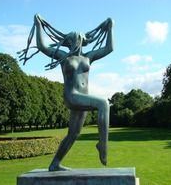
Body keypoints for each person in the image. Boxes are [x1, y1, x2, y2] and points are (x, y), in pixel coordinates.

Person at [19, 14, 114, 171]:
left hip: (82, 99)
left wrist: (110, 28)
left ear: (81, 41)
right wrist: (38, 26)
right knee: (103, 103)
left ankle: (55, 164)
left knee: (73, 134)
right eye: (71, 40)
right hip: (72, 96)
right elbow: (42, 47)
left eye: (76, 40)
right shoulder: (63, 57)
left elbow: (109, 48)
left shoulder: (88, 57)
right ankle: (102, 145)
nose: (74, 42)